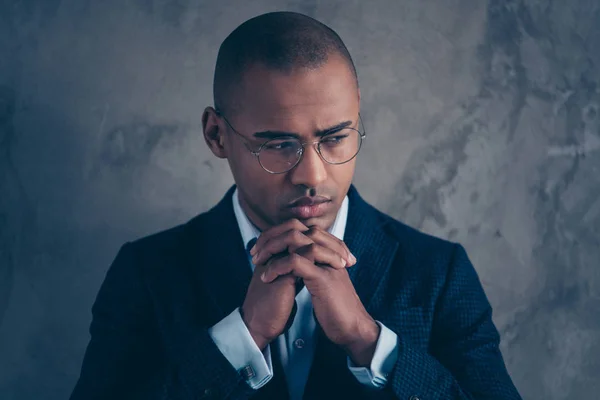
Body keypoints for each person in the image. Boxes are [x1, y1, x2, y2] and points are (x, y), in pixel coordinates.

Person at [70, 11, 522, 400]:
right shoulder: (147, 274)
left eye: (335, 137)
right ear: (216, 135)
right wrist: (239, 339)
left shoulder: (438, 273)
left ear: (358, 116)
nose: (314, 175)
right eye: (280, 145)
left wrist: (368, 342)